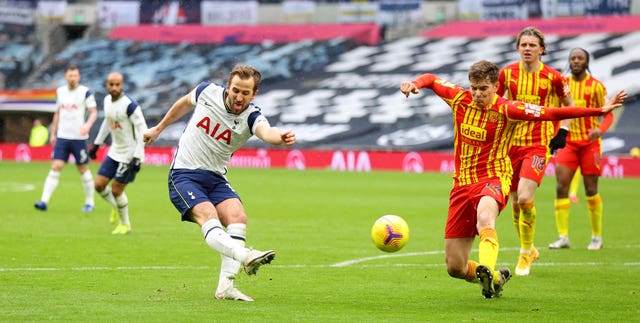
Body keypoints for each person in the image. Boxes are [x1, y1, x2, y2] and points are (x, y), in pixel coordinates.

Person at [400, 60, 626, 299]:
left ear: (495, 87)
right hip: (461, 186)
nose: (477, 94)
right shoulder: (459, 98)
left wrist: (599, 111)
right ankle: (494, 279)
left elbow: (552, 112)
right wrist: (414, 84)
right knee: (455, 267)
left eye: (483, 89)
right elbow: (432, 79)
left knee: (485, 218)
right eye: (474, 88)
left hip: (493, 179)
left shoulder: (508, 109)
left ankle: (487, 267)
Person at [142, 65, 296, 301]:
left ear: (254, 94)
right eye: (236, 90)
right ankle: (245, 256)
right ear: (228, 87)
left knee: (238, 217)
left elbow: (267, 132)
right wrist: (159, 128)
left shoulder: (251, 116)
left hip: (215, 178)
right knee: (208, 215)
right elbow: (183, 103)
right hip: (184, 174)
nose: (239, 96)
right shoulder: (207, 92)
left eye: (246, 93)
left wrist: (280, 138)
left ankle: (226, 287)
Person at [496, 26, 575, 276]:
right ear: (518, 48)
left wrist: (562, 131)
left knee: (524, 198)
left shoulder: (554, 77)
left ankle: (524, 254)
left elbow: (569, 107)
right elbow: (495, 104)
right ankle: (530, 248)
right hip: (510, 146)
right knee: (515, 204)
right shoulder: (507, 74)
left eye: (532, 45)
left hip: (538, 145)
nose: (527, 49)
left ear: (542, 49)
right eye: (523, 45)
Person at [549, 48, 613, 250]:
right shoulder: (562, 85)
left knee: (591, 189)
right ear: (569, 62)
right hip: (568, 142)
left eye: (580, 58)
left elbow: (608, 114)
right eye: (573, 58)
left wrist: (600, 130)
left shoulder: (597, 87)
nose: (576, 61)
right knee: (561, 187)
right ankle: (563, 237)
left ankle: (596, 237)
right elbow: (555, 113)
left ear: (587, 62)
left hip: (589, 144)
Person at [88, 72, 147, 235]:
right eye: (111, 84)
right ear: (107, 85)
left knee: (116, 190)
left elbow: (143, 130)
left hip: (130, 154)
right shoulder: (107, 101)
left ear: (122, 85)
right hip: (115, 151)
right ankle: (116, 207)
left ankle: (125, 224)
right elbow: (108, 123)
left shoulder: (130, 106)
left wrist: (138, 155)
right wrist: (97, 145)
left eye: (117, 85)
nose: (114, 88)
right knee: (99, 185)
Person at [34, 66, 98, 212]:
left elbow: (93, 112)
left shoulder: (85, 92)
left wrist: (87, 125)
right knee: (56, 166)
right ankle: (44, 201)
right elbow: (57, 113)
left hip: (78, 138)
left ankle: (90, 202)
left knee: (82, 168)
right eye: (70, 75)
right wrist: (53, 133)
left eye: (75, 75)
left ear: (79, 77)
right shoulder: (60, 92)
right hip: (62, 136)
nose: (72, 78)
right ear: (65, 77)